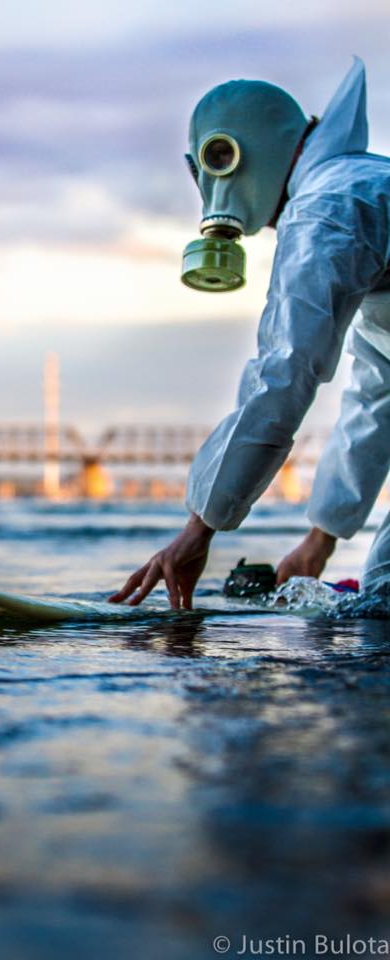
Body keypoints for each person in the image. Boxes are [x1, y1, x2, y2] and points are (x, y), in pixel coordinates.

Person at [110, 58, 390, 610]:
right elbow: (378, 388)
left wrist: (199, 530)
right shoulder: (364, 187)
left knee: (382, 606)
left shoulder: (325, 211)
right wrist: (320, 540)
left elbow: (284, 373)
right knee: (378, 604)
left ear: (234, 154)